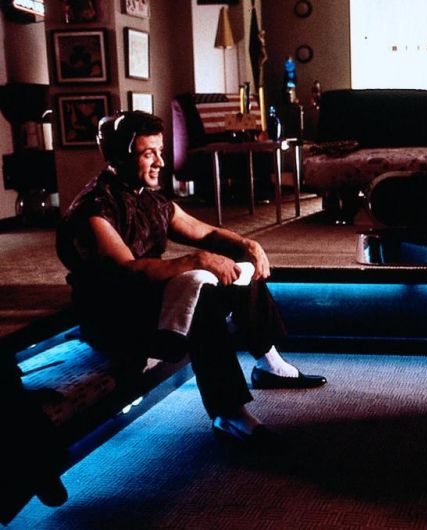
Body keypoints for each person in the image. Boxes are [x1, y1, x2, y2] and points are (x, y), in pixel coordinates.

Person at [56, 111, 326, 444]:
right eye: (148, 154)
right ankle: (230, 414)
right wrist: (197, 260)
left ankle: (270, 365)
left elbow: (205, 232)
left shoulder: (148, 198)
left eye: (159, 151)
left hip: (147, 299)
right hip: (114, 318)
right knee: (203, 297)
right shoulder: (94, 210)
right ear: (120, 157)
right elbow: (127, 271)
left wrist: (248, 246)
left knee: (237, 262)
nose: (160, 162)